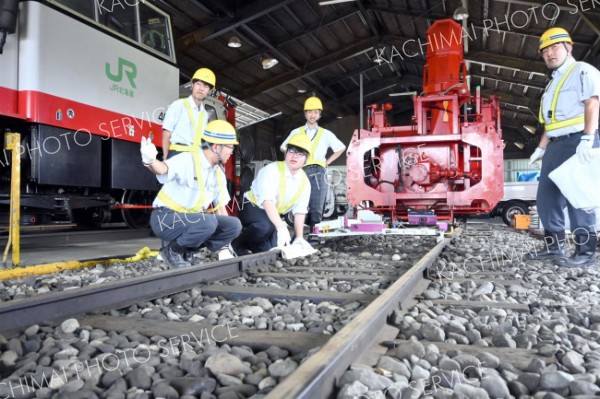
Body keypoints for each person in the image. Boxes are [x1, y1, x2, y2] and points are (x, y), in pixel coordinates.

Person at [526, 27, 600, 267]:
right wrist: (541, 148)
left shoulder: (582, 71)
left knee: (577, 197)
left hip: (578, 141)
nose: (549, 54)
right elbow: (550, 122)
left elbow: (592, 103)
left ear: (569, 47)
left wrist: (588, 138)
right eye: (545, 50)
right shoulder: (551, 84)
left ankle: (585, 252)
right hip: (555, 146)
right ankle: (553, 248)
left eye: (554, 47)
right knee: (546, 197)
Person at [141, 119, 242, 269]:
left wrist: (224, 248)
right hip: (165, 218)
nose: (232, 151)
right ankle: (172, 251)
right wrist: (149, 160)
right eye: (229, 147)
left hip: (191, 220)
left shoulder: (218, 174)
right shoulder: (188, 160)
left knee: (234, 225)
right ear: (216, 147)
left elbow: (221, 209)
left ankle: (186, 250)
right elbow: (162, 169)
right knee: (207, 222)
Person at [233, 134, 315, 254]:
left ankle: (251, 245)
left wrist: (299, 238)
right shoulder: (271, 170)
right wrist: (281, 227)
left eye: (300, 154)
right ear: (285, 153)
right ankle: (236, 245)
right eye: (291, 151)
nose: (294, 156)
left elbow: (300, 212)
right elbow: (268, 201)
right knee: (265, 227)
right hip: (252, 207)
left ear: (306, 159)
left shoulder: (304, 182)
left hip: (272, 214)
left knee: (269, 249)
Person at [280, 96, 346, 228]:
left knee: (317, 202)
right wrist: (295, 160)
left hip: (318, 171)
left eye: (316, 112)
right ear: (305, 114)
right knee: (299, 201)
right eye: (309, 112)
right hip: (301, 170)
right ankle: (299, 232)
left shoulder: (325, 134)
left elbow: (341, 148)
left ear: (320, 115)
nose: (312, 115)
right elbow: (283, 147)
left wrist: (327, 162)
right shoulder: (296, 132)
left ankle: (314, 232)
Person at [162, 68, 217, 159]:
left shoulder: (204, 115)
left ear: (209, 91)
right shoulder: (178, 105)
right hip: (177, 154)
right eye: (198, 84)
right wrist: (166, 159)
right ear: (192, 85)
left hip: (195, 157)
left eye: (206, 86)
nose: (201, 88)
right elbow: (166, 133)